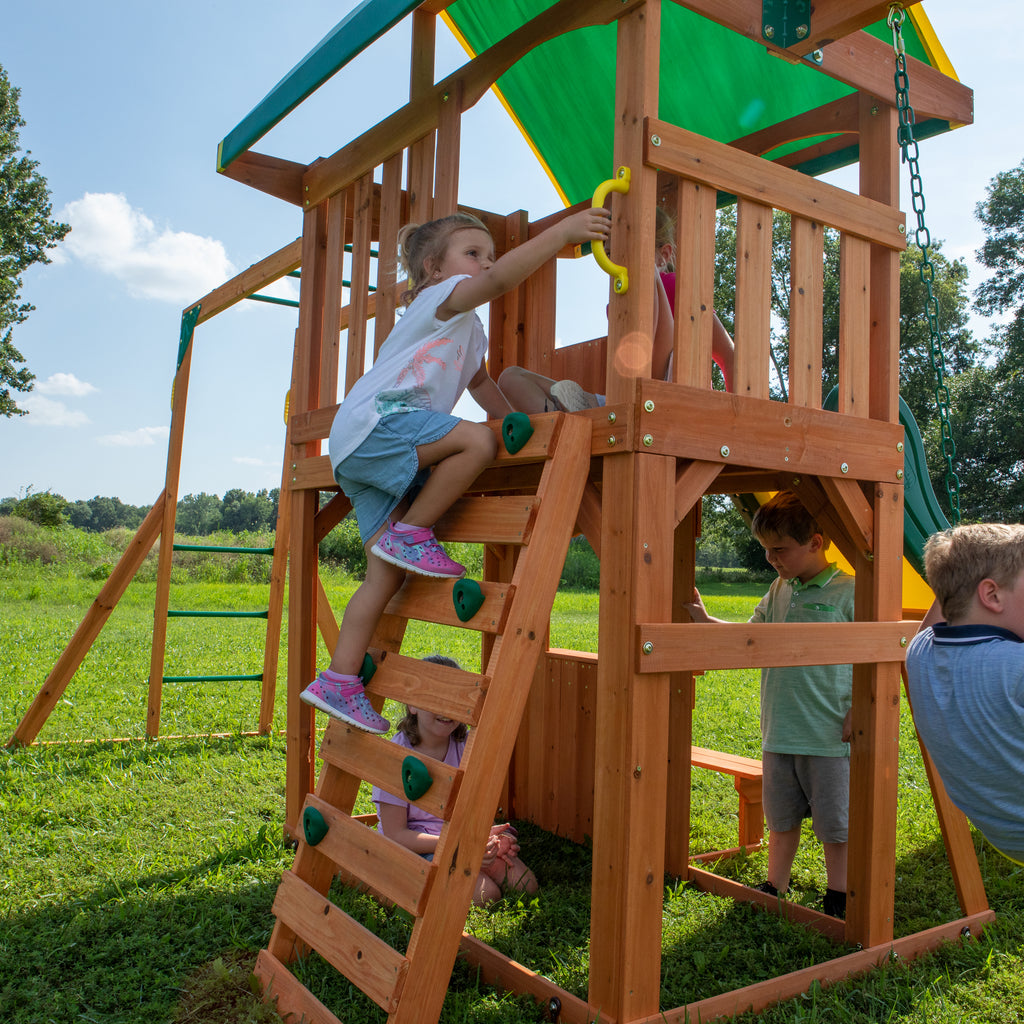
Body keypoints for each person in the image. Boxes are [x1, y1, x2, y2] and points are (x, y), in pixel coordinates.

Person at [300, 206, 611, 734]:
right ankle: (413, 531)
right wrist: (561, 235)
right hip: (379, 426)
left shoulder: (469, 333)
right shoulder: (436, 303)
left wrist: (526, 432)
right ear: (432, 270)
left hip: (358, 452)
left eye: (487, 254)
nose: (485, 264)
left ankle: (340, 681)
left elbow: (485, 391)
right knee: (472, 443)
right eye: (472, 254)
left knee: (382, 576)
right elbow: (498, 281)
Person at [683, 491, 855, 918]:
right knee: (781, 819)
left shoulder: (849, 593)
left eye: (780, 550)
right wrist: (707, 624)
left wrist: (862, 709)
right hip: (779, 729)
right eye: (766, 550)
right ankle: (775, 885)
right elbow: (750, 639)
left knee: (835, 825)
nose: (771, 559)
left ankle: (840, 894)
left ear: (815, 543)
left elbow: (876, 659)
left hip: (829, 732)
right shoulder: (779, 588)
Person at [496, 206, 735, 413]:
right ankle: (569, 424)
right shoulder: (616, 307)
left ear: (663, 256)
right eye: (610, 253)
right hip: (626, 400)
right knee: (511, 378)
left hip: (676, 396)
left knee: (644, 274)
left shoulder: (675, 286)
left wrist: (734, 412)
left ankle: (605, 408)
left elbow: (727, 354)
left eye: (628, 248)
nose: (617, 262)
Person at [371, 655, 539, 906]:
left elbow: (476, 804)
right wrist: (459, 848)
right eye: (436, 697)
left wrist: (492, 838)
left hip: (462, 839)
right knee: (487, 896)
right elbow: (396, 834)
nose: (446, 707)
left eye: (455, 698)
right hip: (417, 848)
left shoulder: (467, 746)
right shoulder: (395, 757)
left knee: (527, 885)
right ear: (412, 706)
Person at [905, 523, 1024, 865]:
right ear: (992, 596)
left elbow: (944, 610)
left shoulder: (920, 653)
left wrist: (956, 571)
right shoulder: (1014, 667)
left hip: (1003, 833)